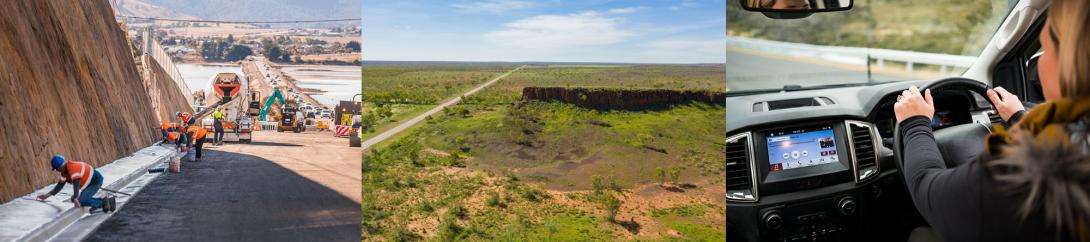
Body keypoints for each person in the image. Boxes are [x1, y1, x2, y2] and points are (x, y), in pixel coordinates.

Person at [895, 1, 1090, 241]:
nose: (1039, 63)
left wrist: (914, 124)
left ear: (1070, 59)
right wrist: (1019, 118)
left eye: (1046, 50)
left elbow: (929, 192)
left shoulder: (1035, 168)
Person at [37, 155, 115, 213]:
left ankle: (102, 203)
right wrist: (46, 196)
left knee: (81, 201)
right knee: (79, 199)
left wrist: (75, 198)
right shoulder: (64, 173)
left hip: (95, 181)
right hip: (89, 182)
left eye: (57, 169)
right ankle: (107, 201)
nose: (57, 171)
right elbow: (59, 186)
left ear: (60, 167)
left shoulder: (72, 168)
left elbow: (76, 184)